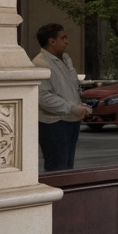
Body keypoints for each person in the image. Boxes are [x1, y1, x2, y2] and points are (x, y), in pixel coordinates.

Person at [34, 23, 88, 171]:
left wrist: (79, 104)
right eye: (63, 38)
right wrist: (72, 108)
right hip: (54, 124)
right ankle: (57, 193)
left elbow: (71, 87)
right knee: (58, 168)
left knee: (67, 167)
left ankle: (66, 194)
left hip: (71, 120)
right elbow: (44, 97)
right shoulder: (40, 63)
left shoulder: (65, 58)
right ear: (52, 41)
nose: (66, 41)